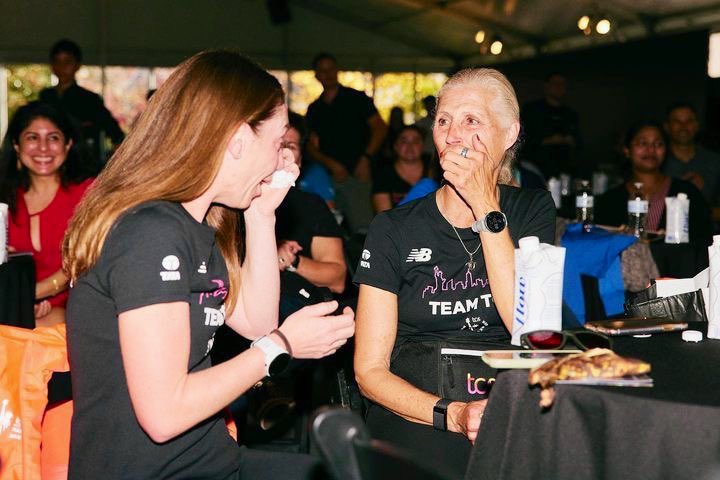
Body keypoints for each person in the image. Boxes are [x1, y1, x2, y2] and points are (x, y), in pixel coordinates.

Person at [62, 50, 355, 479]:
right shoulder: (150, 232)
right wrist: (281, 346)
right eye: (277, 144)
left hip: (207, 462)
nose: (282, 162)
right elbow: (164, 415)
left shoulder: (198, 225)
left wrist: (261, 213)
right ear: (237, 140)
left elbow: (256, 322)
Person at [353, 68, 556, 477]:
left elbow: (529, 325)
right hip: (418, 408)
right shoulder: (393, 228)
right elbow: (369, 371)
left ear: (509, 133)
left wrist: (485, 206)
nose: (453, 134)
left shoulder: (531, 209)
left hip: (504, 396)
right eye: (443, 120)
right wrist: (453, 414)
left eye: (471, 121)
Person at [1, 102, 93, 327]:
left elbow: (85, 260)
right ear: (16, 145)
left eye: (53, 138)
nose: (43, 148)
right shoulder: (4, 200)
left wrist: (28, 295)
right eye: (32, 137)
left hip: (80, 309)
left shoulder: (89, 193)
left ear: (68, 144)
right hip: (14, 312)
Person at [305, 53, 387, 234]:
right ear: (316, 75)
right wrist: (330, 164)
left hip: (358, 175)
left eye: (331, 68)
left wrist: (366, 158)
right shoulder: (315, 108)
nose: (327, 73)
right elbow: (308, 144)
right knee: (327, 230)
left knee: (363, 229)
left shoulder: (357, 98)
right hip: (327, 178)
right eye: (322, 70)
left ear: (337, 70)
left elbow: (380, 128)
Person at [595, 121, 712, 245]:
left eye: (658, 144)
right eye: (643, 143)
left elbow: (703, 242)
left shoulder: (687, 192)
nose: (651, 149)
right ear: (626, 150)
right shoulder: (610, 200)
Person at [277, 111, 347, 317]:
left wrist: (290, 260)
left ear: (299, 159)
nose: (283, 153)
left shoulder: (309, 205)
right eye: (277, 144)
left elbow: (338, 278)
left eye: (290, 146)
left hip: (296, 310)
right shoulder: (233, 201)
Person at [39, 39, 124, 173]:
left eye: (67, 62)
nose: (61, 67)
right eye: (57, 61)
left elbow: (115, 132)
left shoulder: (90, 100)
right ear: (52, 65)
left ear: (77, 65)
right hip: (51, 165)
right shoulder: (46, 97)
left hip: (83, 167)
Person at [521, 72, 581, 178]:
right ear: (546, 86)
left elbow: (578, 141)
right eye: (555, 84)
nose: (559, 88)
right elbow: (522, 139)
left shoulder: (570, 114)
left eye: (562, 84)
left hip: (564, 170)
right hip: (535, 169)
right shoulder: (532, 111)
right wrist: (548, 140)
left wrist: (568, 140)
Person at [662, 102, 720, 207]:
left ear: (697, 126)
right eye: (677, 121)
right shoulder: (656, 161)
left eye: (689, 121)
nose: (683, 127)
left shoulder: (715, 162)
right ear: (667, 127)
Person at [372, 125, 435, 212]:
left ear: (423, 146)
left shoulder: (435, 169)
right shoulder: (384, 176)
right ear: (395, 146)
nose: (410, 146)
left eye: (416, 141)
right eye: (404, 141)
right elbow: (384, 218)